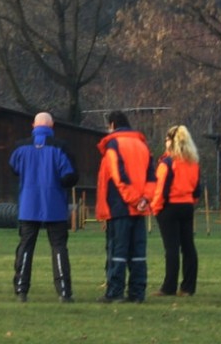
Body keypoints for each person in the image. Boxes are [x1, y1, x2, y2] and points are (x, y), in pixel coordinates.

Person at [9, 111, 79, 303]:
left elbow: (14, 167)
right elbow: (70, 176)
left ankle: (21, 291)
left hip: (28, 205)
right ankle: (64, 292)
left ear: (33, 126)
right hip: (54, 204)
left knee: (25, 246)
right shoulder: (60, 147)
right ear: (52, 126)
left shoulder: (20, 147)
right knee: (58, 247)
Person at [96, 110, 156, 303]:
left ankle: (115, 292)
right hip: (140, 208)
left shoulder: (114, 144)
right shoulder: (142, 144)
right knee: (138, 252)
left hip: (120, 206)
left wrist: (133, 199)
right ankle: (138, 293)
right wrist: (145, 199)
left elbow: (119, 176)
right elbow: (152, 176)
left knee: (118, 252)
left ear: (112, 124)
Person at [151, 125, 200, 297]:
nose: (165, 142)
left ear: (172, 141)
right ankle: (188, 287)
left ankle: (169, 287)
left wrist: (155, 209)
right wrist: (189, 201)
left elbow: (161, 190)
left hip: (169, 208)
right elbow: (197, 190)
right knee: (188, 247)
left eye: (166, 139)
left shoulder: (167, 163)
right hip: (187, 206)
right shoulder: (193, 162)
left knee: (171, 248)